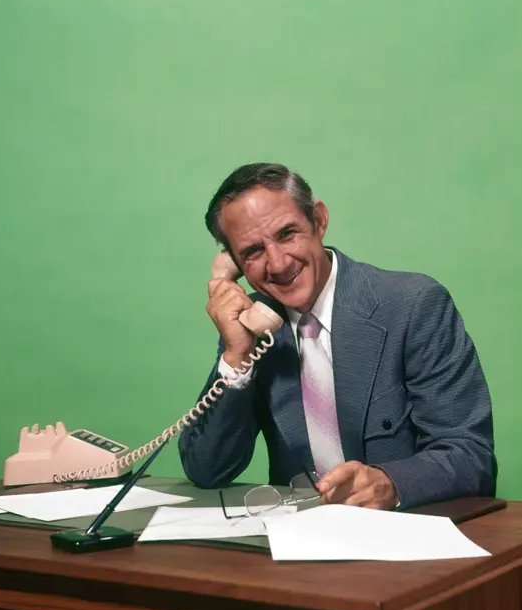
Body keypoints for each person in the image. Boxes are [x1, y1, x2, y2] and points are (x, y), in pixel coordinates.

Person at [179, 162, 497, 511]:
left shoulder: (414, 305)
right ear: (233, 264)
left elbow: (471, 457)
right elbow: (206, 470)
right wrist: (236, 358)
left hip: (403, 539)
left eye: (287, 234)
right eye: (252, 251)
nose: (279, 263)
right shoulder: (253, 330)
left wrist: (390, 484)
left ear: (319, 221)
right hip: (296, 546)